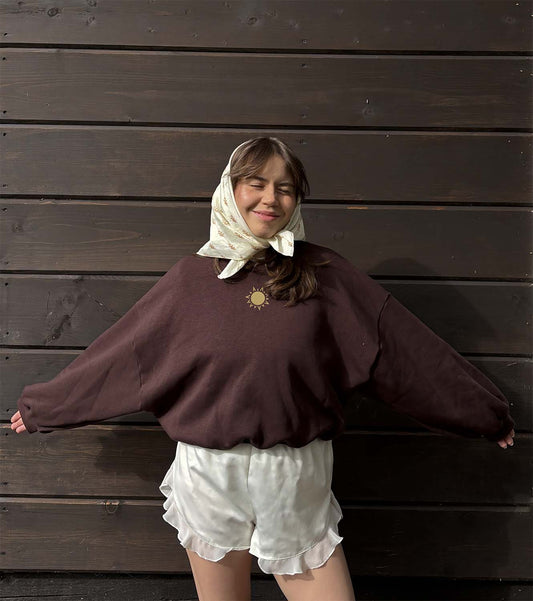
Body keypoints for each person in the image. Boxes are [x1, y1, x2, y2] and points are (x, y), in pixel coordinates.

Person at [11, 137, 516, 601]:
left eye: (286, 188)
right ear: (230, 190)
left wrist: (483, 414)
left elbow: (403, 352)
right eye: (256, 183)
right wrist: (45, 408)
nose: (270, 198)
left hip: (294, 476)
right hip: (209, 473)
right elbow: (123, 358)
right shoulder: (190, 281)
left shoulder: (327, 277)